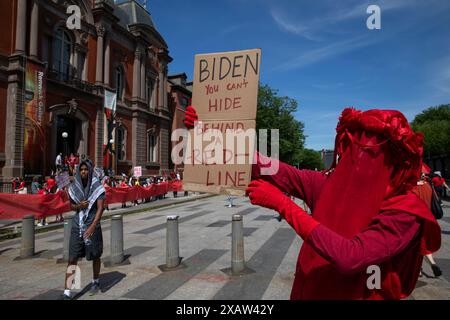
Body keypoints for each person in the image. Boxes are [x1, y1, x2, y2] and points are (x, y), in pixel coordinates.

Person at [184, 106, 442, 300]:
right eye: (355, 149)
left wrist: (284, 205)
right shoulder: (326, 185)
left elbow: (351, 256)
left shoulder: (405, 210)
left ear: (394, 162)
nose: (360, 161)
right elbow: (269, 167)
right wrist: (210, 133)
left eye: (372, 153)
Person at [63, 159, 105, 300]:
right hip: (77, 225)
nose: (83, 172)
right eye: (81, 169)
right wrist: (79, 206)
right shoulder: (74, 186)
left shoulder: (97, 186)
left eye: (86, 169)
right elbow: (71, 206)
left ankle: (95, 281)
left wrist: (93, 226)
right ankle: (68, 290)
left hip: (92, 223)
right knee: (72, 257)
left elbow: (100, 208)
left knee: (95, 255)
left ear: (90, 170)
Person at [413, 169, 442, 278]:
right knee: (424, 244)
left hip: (415, 220)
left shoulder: (412, 188)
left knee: (415, 245)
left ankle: (419, 270)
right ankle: (431, 264)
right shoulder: (428, 187)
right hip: (428, 218)